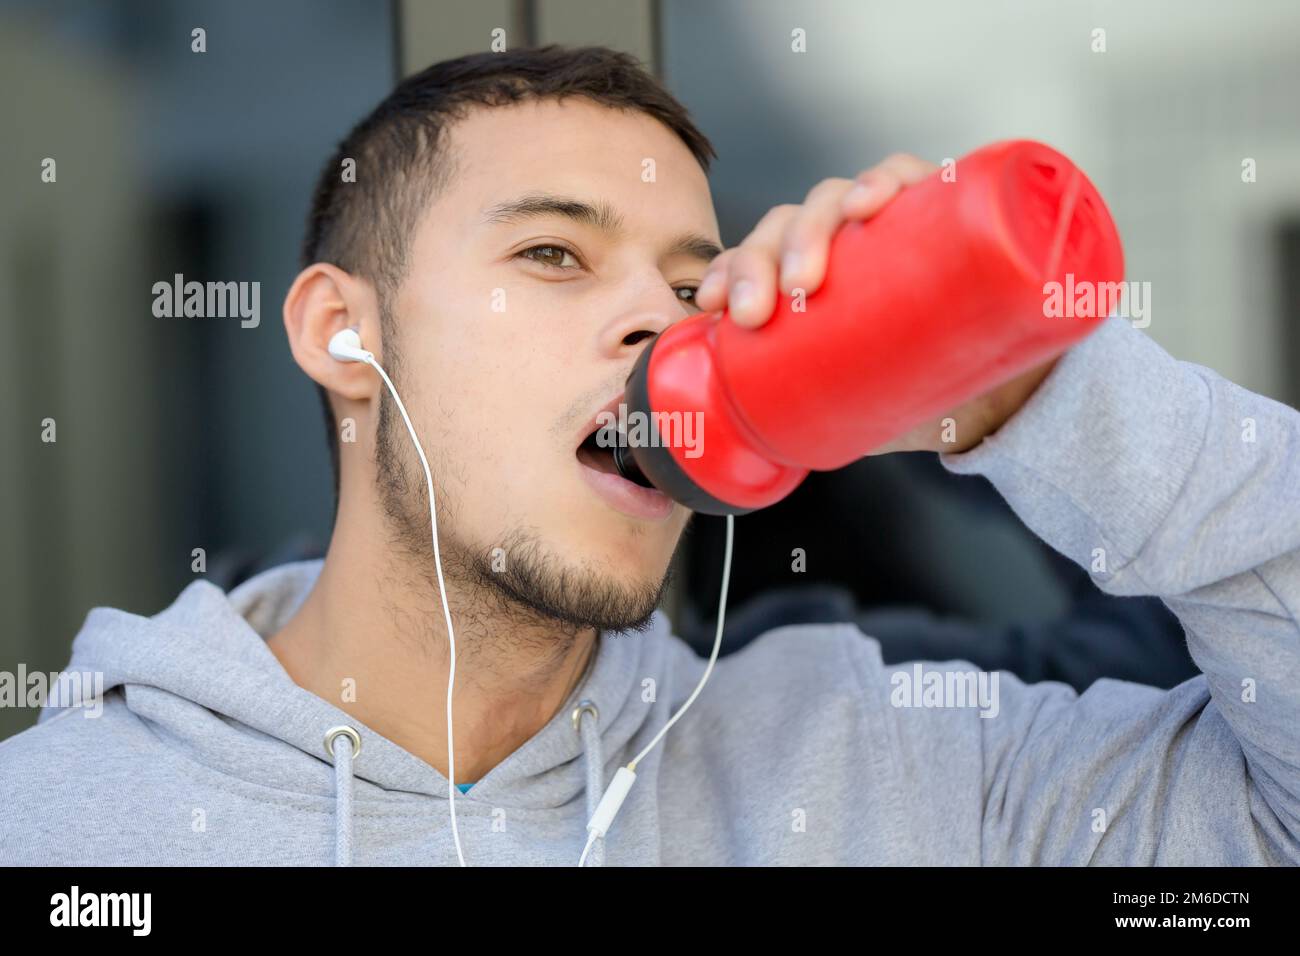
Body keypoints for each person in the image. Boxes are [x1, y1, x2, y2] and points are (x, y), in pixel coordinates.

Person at [2, 45, 1297, 866]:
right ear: (346, 332)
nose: (658, 320)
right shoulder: (60, 822)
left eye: (694, 282)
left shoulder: (884, 764)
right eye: (553, 253)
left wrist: (1031, 391)